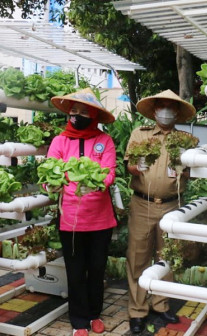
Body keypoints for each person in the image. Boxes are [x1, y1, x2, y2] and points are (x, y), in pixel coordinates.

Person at [125, 89, 196, 334]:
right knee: (138, 257)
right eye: (161, 106)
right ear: (154, 110)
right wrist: (137, 166)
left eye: (170, 107)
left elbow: (195, 170)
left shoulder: (186, 140)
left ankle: (161, 304)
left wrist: (184, 170)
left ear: (176, 112)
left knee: (166, 256)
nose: (165, 111)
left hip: (171, 205)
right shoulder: (140, 134)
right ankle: (137, 310)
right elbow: (129, 166)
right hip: (142, 203)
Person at [48, 88, 117, 336]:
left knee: (97, 268)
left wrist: (95, 181)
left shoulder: (104, 141)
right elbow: (50, 171)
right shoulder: (60, 141)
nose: (76, 116)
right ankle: (79, 321)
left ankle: (94, 314)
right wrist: (51, 184)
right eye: (73, 112)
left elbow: (109, 172)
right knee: (75, 270)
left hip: (100, 218)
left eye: (82, 112)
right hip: (70, 220)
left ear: (94, 115)